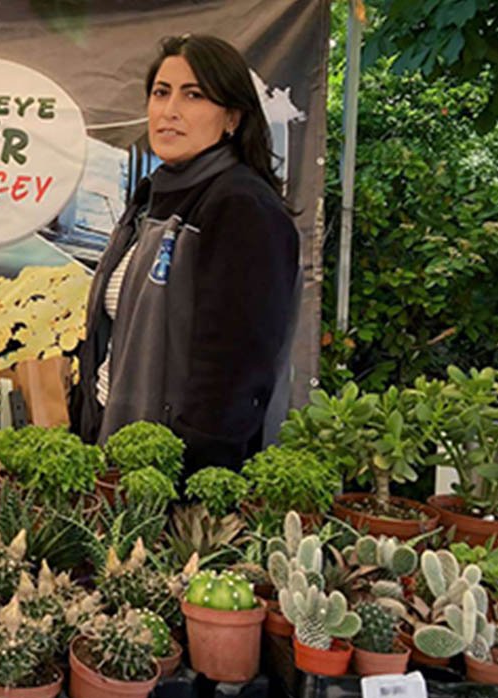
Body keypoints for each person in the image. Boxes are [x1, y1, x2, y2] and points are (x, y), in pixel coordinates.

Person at [71, 34, 300, 475]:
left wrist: (193, 473)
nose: (169, 110)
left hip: (174, 468)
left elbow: (236, 370)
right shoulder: (153, 195)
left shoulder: (240, 206)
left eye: (193, 95)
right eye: (161, 93)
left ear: (232, 116)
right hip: (115, 439)